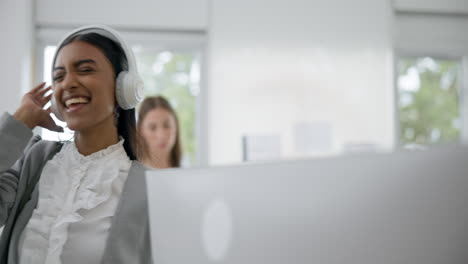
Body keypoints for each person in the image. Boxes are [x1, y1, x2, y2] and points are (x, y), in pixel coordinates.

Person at [0, 25, 151, 263]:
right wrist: (17, 124)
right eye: (59, 76)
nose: (68, 83)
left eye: (85, 70)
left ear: (123, 86)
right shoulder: (35, 159)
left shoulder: (149, 188)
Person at [137, 96, 182, 168]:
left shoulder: (187, 168)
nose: (161, 135)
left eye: (167, 125)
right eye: (152, 128)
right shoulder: (133, 173)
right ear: (141, 130)